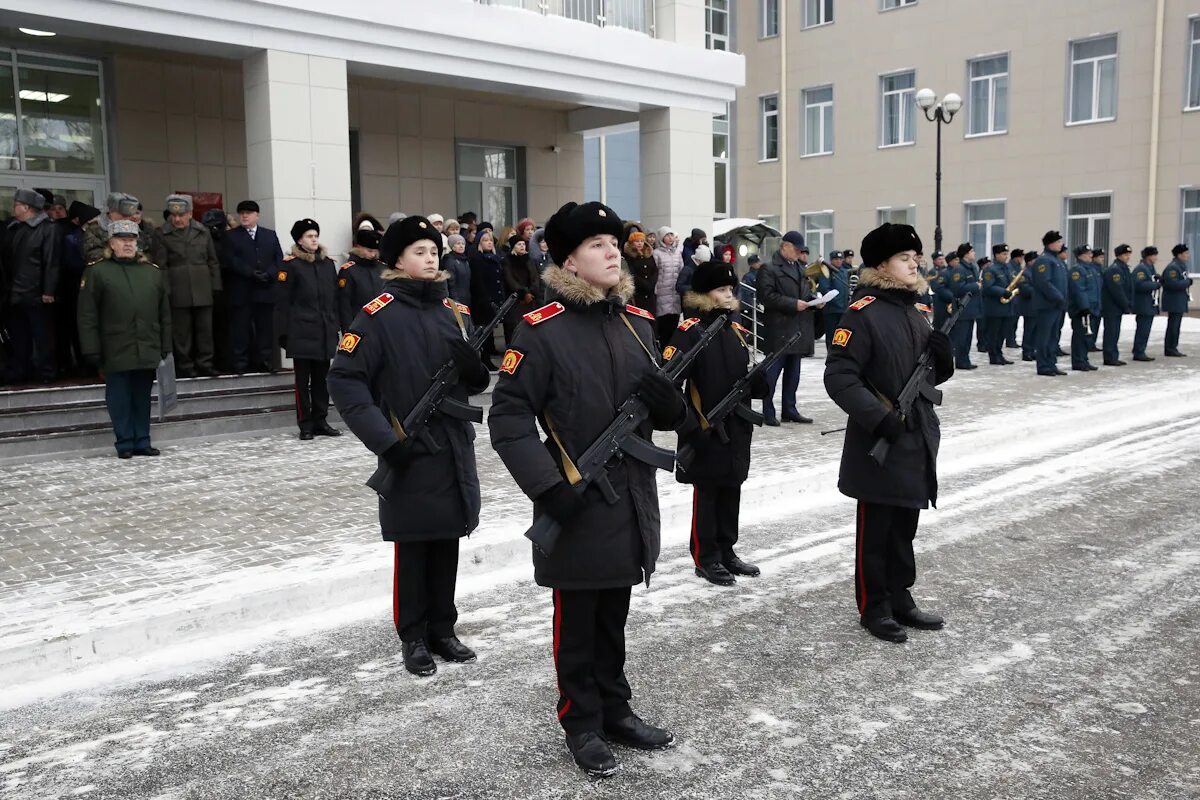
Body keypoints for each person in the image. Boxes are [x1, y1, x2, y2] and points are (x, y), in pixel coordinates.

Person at [488, 201, 682, 778]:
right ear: (568, 258)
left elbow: (658, 414)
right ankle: (581, 721)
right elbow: (509, 419)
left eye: (613, 243)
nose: (611, 251)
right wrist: (548, 488)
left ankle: (615, 709)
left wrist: (672, 410)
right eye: (597, 243)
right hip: (575, 495)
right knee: (578, 619)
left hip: (630, 495)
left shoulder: (637, 324)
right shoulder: (541, 329)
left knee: (613, 613)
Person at [328, 215, 488, 677]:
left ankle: (444, 627)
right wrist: (384, 440)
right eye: (419, 251)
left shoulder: (454, 312)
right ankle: (413, 635)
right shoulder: (376, 314)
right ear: (397, 259)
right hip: (408, 446)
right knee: (413, 546)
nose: (430, 258)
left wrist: (475, 370)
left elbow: (472, 384)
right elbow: (346, 381)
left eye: (434, 251)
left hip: (453, 444)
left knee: (447, 540)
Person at [824, 222, 954, 644]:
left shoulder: (915, 312)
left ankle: (901, 596)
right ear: (881, 264)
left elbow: (927, 376)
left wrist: (944, 360)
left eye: (915, 256)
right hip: (878, 440)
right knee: (877, 530)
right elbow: (840, 376)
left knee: (905, 525)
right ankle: (874, 606)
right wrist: (879, 419)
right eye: (904, 257)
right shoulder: (862, 314)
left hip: (915, 437)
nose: (915, 262)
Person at [668, 260, 769, 586]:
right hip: (705, 427)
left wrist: (759, 380)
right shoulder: (690, 330)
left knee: (731, 488)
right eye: (721, 290)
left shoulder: (735, 330)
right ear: (704, 294)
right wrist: (689, 427)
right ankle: (706, 556)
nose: (728, 295)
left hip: (737, 427)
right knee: (708, 493)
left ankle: (727, 550)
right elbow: (669, 384)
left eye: (730, 289)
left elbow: (743, 376)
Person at [76, 220, 171, 458]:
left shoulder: (152, 272)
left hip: (146, 344)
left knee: (142, 396)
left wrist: (165, 345)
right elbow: (87, 315)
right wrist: (91, 349)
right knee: (119, 397)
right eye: (122, 240)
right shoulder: (97, 271)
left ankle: (143, 440)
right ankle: (125, 442)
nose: (128, 244)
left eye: (131, 240)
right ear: (111, 243)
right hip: (114, 346)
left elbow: (164, 313)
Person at [276, 218, 340, 439]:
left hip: (323, 330)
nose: (314, 240)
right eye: (309, 236)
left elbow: (335, 298)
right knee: (302, 381)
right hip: (301, 331)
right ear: (300, 240)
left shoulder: (327, 264)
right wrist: (283, 333)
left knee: (322, 379)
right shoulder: (291, 265)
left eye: (315, 235)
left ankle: (321, 420)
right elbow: (282, 302)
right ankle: (305, 424)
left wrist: (335, 324)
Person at [758, 231, 820, 425]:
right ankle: (768, 411)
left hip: (798, 328)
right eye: (796, 249)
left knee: (793, 374)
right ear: (784, 246)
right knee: (772, 373)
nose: (798, 253)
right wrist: (793, 304)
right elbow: (766, 296)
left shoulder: (799, 268)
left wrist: (815, 301)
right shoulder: (769, 268)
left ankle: (789, 409)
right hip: (779, 329)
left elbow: (805, 293)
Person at [159, 195, 221, 378]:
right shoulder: (162, 233)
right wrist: (166, 290)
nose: (177, 219)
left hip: (202, 286)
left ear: (190, 213)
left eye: (182, 215)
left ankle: (205, 363)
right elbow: (161, 266)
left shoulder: (202, 231)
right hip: (177, 286)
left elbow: (213, 261)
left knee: (205, 329)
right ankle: (185, 365)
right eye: (174, 215)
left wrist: (215, 286)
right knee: (181, 331)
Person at [2, 188, 59, 384]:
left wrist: (48, 291)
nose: (13, 208)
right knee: (19, 336)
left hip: (36, 293)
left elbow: (51, 262)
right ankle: (20, 370)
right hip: (16, 292)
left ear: (27, 207)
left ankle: (46, 372)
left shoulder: (47, 228)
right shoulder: (15, 228)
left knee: (42, 336)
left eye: (16, 204)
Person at [222, 200, 284, 374]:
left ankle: (264, 361)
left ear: (257, 215)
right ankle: (240, 363)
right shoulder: (231, 236)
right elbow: (230, 259)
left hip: (265, 289)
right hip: (242, 289)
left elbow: (278, 259)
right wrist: (250, 272)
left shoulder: (269, 235)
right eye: (241, 213)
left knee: (265, 328)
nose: (244, 216)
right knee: (240, 328)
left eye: (248, 213)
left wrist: (269, 274)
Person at [1031, 231, 1069, 376]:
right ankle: (1043, 365)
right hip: (1047, 305)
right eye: (1058, 242)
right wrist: (1058, 297)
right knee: (1045, 337)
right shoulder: (1044, 260)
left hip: (1056, 306)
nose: (1061, 244)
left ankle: (1051, 363)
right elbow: (1044, 283)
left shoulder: (1056, 260)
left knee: (1053, 336)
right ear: (1050, 244)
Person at [337, 228, 387, 331]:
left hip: (383, 326)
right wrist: (348, 331)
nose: (373, 255)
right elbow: (344, 305)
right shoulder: (349, 270)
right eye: (369, 251)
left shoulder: (383, 268)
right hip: (360, 325)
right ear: (359, 247)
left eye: (375, 251)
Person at [469, 229, 505, 367]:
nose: (489, 243)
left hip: (495, 299)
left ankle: (488, 357)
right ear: (479, 243)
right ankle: (485, 358)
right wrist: (487, 300)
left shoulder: (495, 258)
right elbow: (478, 282)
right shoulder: (477, 260)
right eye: (485, 240)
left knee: (492, 330)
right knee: (485, 331)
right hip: (482, 301)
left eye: (490, 240)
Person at [947, 243, 981, 369]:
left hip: (971, 308)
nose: (974, 253)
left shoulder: (972, 267)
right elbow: (957, 289)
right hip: (963, 308)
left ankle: (965, 360)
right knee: (962, 337)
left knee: (967, 337)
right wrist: (975, 286)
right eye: (972, 251)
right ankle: (961, 361)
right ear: (966, 254)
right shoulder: (959, 269)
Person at [502, 233, 541, 344]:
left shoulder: (529, 259)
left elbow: (535, 277)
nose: (522, 246)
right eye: (519, 244)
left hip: (531, 298)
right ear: (513, 246)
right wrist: (523, 293)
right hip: (515, 299)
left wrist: (531, 292)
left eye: (523, 244)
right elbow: (510, 279)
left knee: (530, 325)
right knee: (514, 326)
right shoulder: (507, 260)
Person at [1101, 244, 1135, 366]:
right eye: (1125, 255)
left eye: (1129, 255)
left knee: (1115, 332)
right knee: (1111, 332)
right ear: (1119, 255)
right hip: (1112, 306)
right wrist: (1126, 304)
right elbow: (1117, 290)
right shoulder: (1115, 269)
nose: (1128, 257)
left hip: (1117, 307)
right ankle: (1109, 357)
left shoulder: (1123, 268)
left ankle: (1113, 355)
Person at [1066, 246, 1098, 372]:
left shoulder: (1090, 269)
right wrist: (1084, 307)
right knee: (1079, 336)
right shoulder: (1077, 270)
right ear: (1080, 256)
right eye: (1087, 253)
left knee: (1086, 337)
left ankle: (1084, 359)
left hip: (1091, 308)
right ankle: (1078, 361)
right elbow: (1079, 290)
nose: (1090, 255)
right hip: (1081, 310)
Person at [652, 227, 684, 342]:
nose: (670, 238)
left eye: (671, 235)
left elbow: (681, 271)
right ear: (661, 238)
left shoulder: (677, 254)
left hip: (675, 296)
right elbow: (654, 274)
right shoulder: (656, 254)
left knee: (674, 329)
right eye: (667, 235)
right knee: (663, 329)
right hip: (662, 295)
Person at [1131, 246, 1161, 362]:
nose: (1156, 258)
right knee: (1143, 329)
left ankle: (1139, 350)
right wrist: (1156, 285)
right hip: (1143, 304)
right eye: (1154, 255)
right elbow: (1139, 285)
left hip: (1149, 303)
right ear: (1148, 256)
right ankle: (1139, 351)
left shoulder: (1150, 268)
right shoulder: (1141, 269)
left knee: (1145, 329)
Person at [1161, 244, 1191, 357]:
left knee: (1176, 325)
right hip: (1174, 301)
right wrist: (1187, 282)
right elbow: (1172, 284)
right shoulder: (1173, 267)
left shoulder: (1181, 266)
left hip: (1179, 300)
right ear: (1179, 255)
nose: (1188, 256)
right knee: (1173, 325)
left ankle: (1173, 347)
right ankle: (1170, 348)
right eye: (1185, 254)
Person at [817, 250, 851, 343]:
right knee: (831, 336)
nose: (838, 261)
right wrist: (836, 302)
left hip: (843, 310)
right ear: (831, 260)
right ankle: (831, 356)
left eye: (840, 259)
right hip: (832, 311)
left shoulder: (843, 272)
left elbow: (845, 289)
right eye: (836, 259)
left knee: (842, 337)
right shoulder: (826, 271)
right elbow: (825, 289)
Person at [623, 229, 658, 315]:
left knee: (652, 317)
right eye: (637, 241)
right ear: (632, 243)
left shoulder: (648, 254)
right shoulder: (629, 256)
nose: (640, 243)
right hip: (638, 293)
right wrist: (644, 284)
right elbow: (632, 273)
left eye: (642, 241)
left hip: (650, 293)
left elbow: (655, 270)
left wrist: (651, 283)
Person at [1016, 249, 1039, 361]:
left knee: (1036, 330)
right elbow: (1024, 289)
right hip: (1029, 306)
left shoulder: (1037, 272)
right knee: (1029, 330)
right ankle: (1027, 352)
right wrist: (1038, 290)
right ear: (1030, 261)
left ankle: (1033, 350)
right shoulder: (1025, 273)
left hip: (1037, 306)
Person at [441, 233, 472, 307]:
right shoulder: (450, 261)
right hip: (457, 300)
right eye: (458, 243)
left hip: (466, 298)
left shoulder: (465, 260)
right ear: (452, 246)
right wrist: (455, 301)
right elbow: (451, 284)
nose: (461, 246)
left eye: (463, 243)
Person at [1086, 248, 1105, 353]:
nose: (1102, 259)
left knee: (1096, 323)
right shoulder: (1091, 268)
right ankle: (1089, 343)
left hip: (1099, 300)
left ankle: (1092, 343)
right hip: (1093, 301)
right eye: (1100, 257)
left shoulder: (1100, 269)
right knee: (1092, 323)